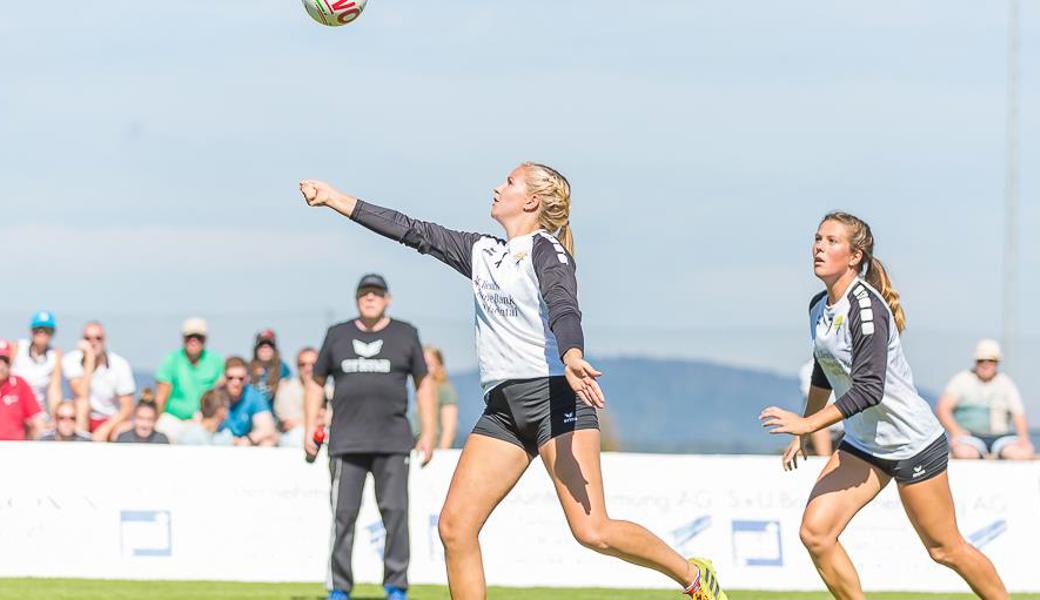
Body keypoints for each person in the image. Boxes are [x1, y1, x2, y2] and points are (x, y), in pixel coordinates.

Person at [299, 164, 725, 600]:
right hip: (503, 412)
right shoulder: (482, 251)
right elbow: (411, 230)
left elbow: (564, 306)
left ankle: (693, 577)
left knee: (593, 530)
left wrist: (572, 354)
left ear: (532, 201)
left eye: (508, 182)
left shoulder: (547, 252)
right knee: (455, 526)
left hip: (554, 400)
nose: (496, 187)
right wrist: (336, 200)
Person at [759, 212, 1008, 600]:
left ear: (855, 255)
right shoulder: (817, 307)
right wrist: (806, 428)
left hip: (912, 445)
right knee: (816, 534)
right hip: (864, 445)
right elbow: (825, 372)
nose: (819, 247)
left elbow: (868, 390)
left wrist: (808, 427)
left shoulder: (866, 309)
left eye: (831, 241)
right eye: (817, 238)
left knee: (945, 549)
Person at [304, 273, 437, 600]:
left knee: (395, 514)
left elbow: (424, 384)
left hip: (393, 441)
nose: (370, 298)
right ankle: (339, 588)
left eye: (376, 294)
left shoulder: (406, 334)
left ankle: (396, 586)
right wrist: (310, 426)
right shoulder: (338, 335)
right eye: (365, 294)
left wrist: (429, 432)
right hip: (345, 443)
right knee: (342, 517)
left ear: (387, 299)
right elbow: (316, 381)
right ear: (357, 299)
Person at [936, 339, 1034, 461]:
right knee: (964, 453)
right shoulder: (962, 380)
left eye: (991, 360)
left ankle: (995, 456)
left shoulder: (1005, 383)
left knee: (1022, 453)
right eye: (981, 360)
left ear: (997, 362)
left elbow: (1019, 413)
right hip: (969, 437)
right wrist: (956, 431)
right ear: (975, 361)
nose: (986, 364)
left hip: (1001, 437)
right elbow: (943, 408)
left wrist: (1023, 437)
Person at [62, 321, 137, 441]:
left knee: (124, 429)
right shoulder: (71, 360)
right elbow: (81, 393)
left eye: (98, 338)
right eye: (88, 338)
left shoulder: (120, 364)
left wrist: (105, 429)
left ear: (105, 340)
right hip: (79, 419)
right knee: (82, 404)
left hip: (110, 420)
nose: (93, 342)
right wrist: (90, 360)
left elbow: (127, 407)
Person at [154, 318, 224, 442]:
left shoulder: (216, 361)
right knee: (160, 435)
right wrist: (155, 420)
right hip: (173, 419)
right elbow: (161, 397)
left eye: (199, 337)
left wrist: (207, 418)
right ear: (183, 338)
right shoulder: (171, 360)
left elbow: (219, 395)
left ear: (205, 339)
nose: (194, 341)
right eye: (189, 337)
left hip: (202, 419)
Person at [11, 311, 63, 422]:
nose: (42, 333)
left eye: (47, 330)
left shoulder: (54, 355)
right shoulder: (18, 347)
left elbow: (54, 391)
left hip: (38, 413)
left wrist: (55, 418)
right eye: (38, 329)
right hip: (15, 405)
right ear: (31, 331)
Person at [274, 347, 327, 447]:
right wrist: (319, 419)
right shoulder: (286, 388)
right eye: (302, 364)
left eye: (313, 364)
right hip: (294, 439)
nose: (308, 368)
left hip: (323, 435)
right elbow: (289, 423)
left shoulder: (330, 389)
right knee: (297, 434)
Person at [220, 356, 278, 446]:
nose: (236, 382)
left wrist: (248, 439)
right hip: (220, 442)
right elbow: (201, 422)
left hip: (245, 442)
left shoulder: (253, 396)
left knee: (269, 441)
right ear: (224, 378)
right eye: (230, 378)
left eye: (240, 378)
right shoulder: (214, 395)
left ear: (247, 379)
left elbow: (268, 428)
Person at [0, 339, 46, 441]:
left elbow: (37, 421)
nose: (1, 365)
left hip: (16, 450)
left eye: (5, 360)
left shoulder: (19, 384)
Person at [797, 359, 843, 456]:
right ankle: (824, 461)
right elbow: (817, 407)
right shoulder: (809, 369)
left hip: (845, 431)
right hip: (818, 428)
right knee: (817, 418)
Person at [421, 346, 459, 449]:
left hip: (436, 451)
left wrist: (441, 454)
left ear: (440, 365)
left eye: (429, 364)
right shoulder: (420, 391)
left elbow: (449, 430)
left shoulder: (445, 389)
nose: (424, 368)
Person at [250, 329, 291, 406]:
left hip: (274, 413)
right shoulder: (248, 369)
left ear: (274, 350)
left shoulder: (283, 368)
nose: (265, 349)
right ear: (256, 350)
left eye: (269, 346)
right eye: (261, 346)